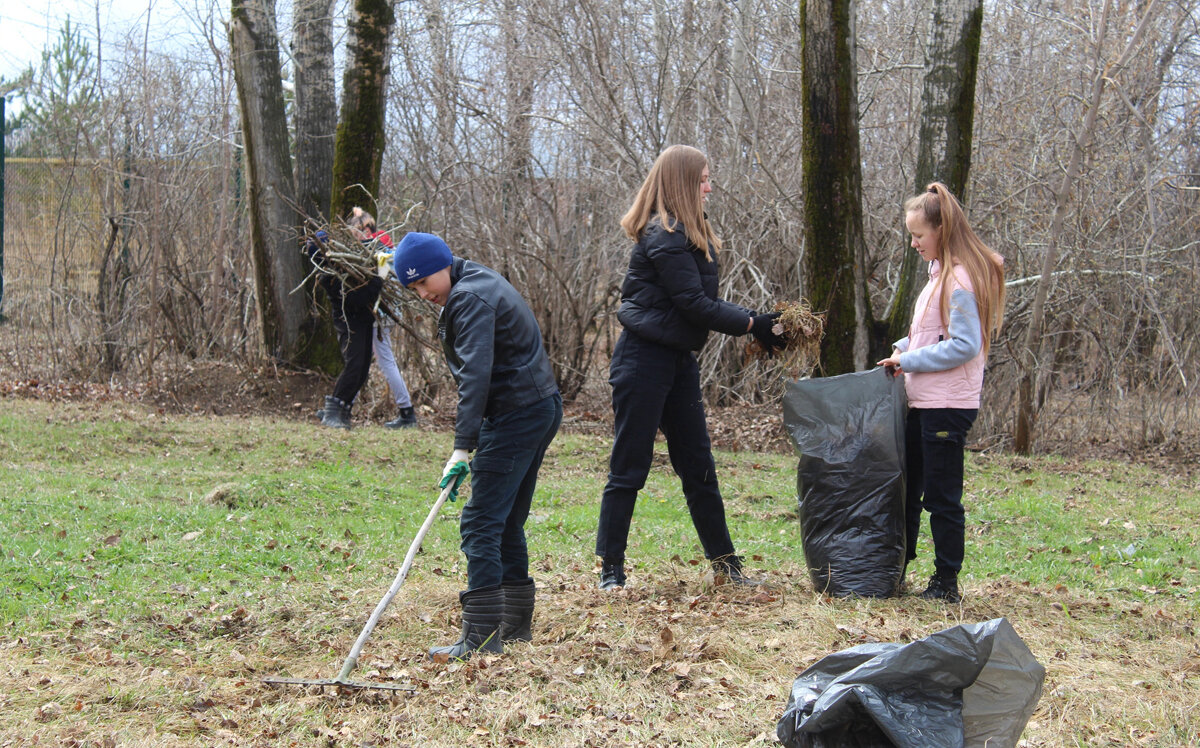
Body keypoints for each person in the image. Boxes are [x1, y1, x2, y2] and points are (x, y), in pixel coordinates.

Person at [594, 144, 786, 591]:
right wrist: (754, 323)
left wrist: (755, 321)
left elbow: (699, 306)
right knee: (630, 464)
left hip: (677, 360)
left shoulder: (686, 232)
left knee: (698, 465)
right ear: (682, 182)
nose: (709, 187)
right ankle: (611, 569)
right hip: (642, 360)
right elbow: (695, 305)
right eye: (702, 179)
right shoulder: (664, 236)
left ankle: (727, 566)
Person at [392, 231, 562, 660]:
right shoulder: (473, 282)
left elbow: (475, 377)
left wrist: (462, 447)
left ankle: (482, 637)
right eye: (412, 288)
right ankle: (513, 624)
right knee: (505, 521)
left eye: (422, 282)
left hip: (517, 414)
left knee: (481, 522)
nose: (421, 293)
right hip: (536, 406)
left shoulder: (468, 298)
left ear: (441, 264)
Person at [876, 182, 1006, 603]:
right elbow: (932, 334)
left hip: (947, 407)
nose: (914, 243)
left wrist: (909, 361)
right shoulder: (938, 276)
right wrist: (903, 348)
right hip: (923, 401)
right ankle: (897, 571)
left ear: (942, 232)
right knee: (908, 489)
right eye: (912, 236)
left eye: (919, 235)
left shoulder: (961, 280)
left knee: (941, 497)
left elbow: (966, 346)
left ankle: (946, 583)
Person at [305, 211, 384, 430]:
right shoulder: (330, 274)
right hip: (350, 322)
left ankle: (343, 409)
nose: (364, 234)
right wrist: (378, 280)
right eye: (360, 230)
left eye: (368, 230)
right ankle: (333, 410)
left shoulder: (349, 263)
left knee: (363, 367)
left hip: (364, 319)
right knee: (354, 364)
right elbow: (356, 298)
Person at [346, 208, 418, 429]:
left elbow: (381, 281)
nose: (358, 236)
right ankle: (343, 404)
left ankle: (407, 413)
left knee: (383, 360)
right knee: (363, 359)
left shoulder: (380, 250)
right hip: (380, 312)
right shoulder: (383, 246)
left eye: (359, 231)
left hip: (381, 313)